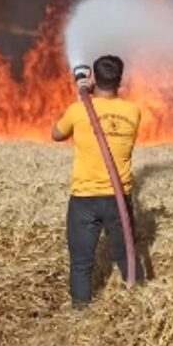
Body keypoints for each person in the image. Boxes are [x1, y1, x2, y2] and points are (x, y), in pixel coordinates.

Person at [52, 54, 143, 306]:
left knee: (81, 263)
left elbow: (56, 134)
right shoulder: (133, 111)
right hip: (118, 199)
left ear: (92, 77)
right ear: (120, 80)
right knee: (127, 257)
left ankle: (81, 313)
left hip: (84, 200)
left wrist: (83, 95)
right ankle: (139, 306)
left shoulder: (78, 110)